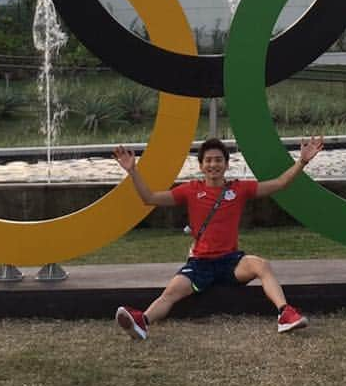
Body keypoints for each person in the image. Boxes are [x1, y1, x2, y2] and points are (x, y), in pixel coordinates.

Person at [113, 135, 324, 340]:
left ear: (226, 164)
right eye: (208, 160)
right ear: (201, 165)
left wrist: (303, 161)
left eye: (218, 160)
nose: (213, 164)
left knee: (261, 265)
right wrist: (133, 171)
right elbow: (149, 198)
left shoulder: (239, 189)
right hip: (199, 264)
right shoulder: (190, 190)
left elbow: (279, 184)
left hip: (230, 262)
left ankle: (285, 314)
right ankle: (142, 322)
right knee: (171, 292)